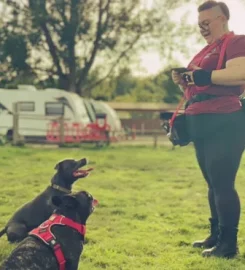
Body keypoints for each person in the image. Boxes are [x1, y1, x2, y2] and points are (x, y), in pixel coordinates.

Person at [171, 1, 245, 258]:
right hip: (200, 119)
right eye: (199, 23)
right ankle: (216, 235)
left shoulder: (236, 42)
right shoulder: (204, 51)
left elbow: (241, 74)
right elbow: (199, 87)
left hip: (225, 120)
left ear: (223, 18)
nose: (202, 27)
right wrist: (184, 81)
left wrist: (204, 76)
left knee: (223, 183)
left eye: (207, 22)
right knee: (212, 183)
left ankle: (228, 246)